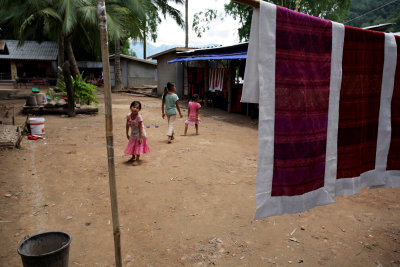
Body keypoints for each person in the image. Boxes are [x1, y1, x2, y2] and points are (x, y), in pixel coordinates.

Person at [124, 101, 150, 165]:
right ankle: (133, 156)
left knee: (138, 145)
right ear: (130, 107)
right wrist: (127, 134)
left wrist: (140, 137)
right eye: (134, 107)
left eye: (137, 108)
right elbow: (127, 125)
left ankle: (137, 159)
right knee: (132, 144)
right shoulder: (128, 115)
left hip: (140, 132)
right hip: (133, 132)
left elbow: (141, 127)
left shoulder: (139, 117)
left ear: (139, 110)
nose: (135, 109)